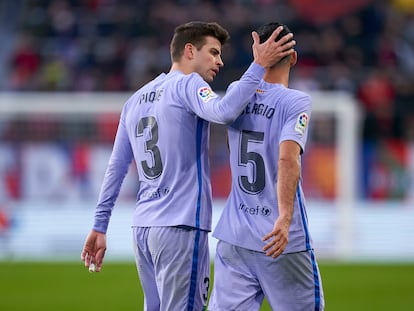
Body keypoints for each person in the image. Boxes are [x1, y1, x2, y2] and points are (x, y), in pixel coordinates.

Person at [80, 21, 295, 311]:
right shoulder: (189, 84)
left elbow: (116, 168)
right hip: (180, 228)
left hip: (143, 229)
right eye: (214, 52)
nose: (219, 61)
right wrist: (257, 65)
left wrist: (99, 225)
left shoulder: (135, 100)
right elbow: (224, 111)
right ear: (190, 50)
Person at [209, 22, 325, 311]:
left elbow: (228, 140)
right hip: (279, 239)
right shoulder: (296, 101)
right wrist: (284, 219)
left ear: (255, 51)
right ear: (293, 58)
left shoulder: (238, 92)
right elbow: (288, 158)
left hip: (234, 235)